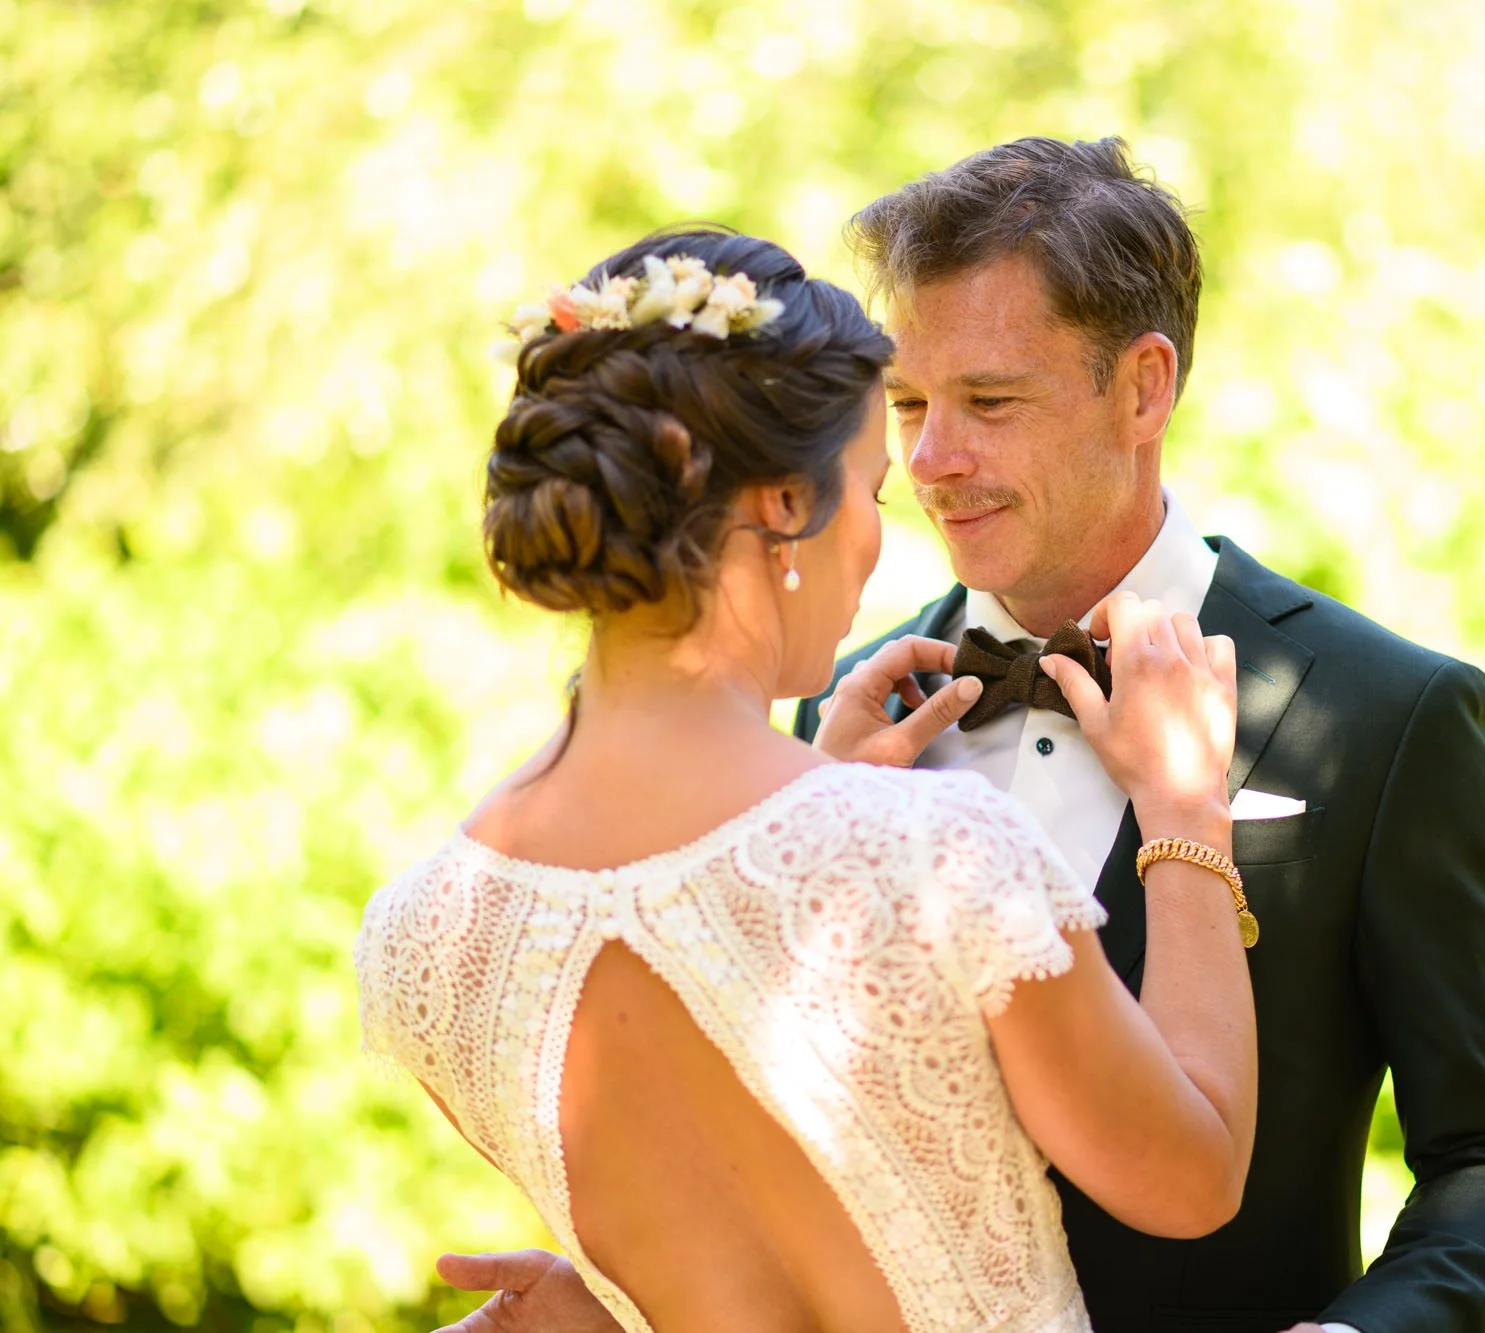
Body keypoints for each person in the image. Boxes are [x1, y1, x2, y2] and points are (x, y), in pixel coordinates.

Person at [434, 137, 1485, 1332]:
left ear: (1142, 388)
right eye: (909, 408)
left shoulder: (1381, 715)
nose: (931, 464)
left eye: (987, 402)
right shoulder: (819, 713)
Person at [354, 226, 1262, 1333]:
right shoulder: (935, 856)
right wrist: (1181, 803)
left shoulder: (422, 940)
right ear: (785, 506)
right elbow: (1192, 1173)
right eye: (871, 488)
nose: (886, 538)